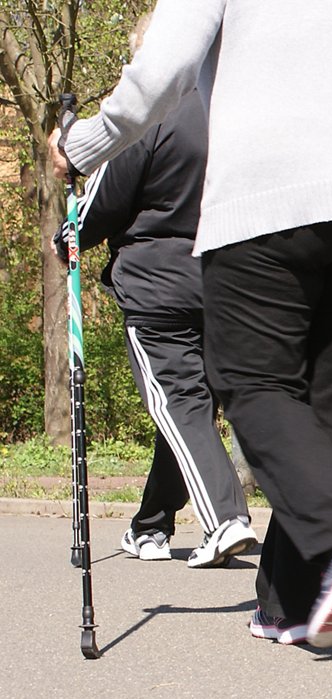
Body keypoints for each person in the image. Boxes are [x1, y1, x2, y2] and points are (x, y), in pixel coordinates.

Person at [50, 0, 332, 647]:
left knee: (248, 380)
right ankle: (291, 603)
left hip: (271, 188)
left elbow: (161, 73)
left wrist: (81, 146)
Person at [54, 12, 256, 569]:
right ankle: (152, 524)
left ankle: (223, 517)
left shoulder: (153, 113)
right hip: (225, 278)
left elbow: (102, 204)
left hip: (157, 282)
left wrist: (66, 237)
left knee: (178, 402)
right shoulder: (233, 109)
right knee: (192, 406)